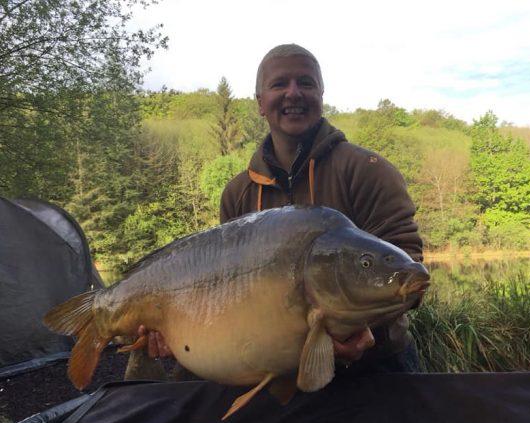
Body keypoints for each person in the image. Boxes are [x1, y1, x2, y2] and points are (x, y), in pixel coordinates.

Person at [143, 43, 423, 373]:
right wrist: (179, 333)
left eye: (306, 83)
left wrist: (361, 330)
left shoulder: (369, 170)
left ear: (321, 94)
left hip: (377, 365)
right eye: (279, 84)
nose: (294, 94)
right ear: (260, 102)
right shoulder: (237, 193)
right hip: (279, 363)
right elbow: (229, 296)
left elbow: (410, 270)